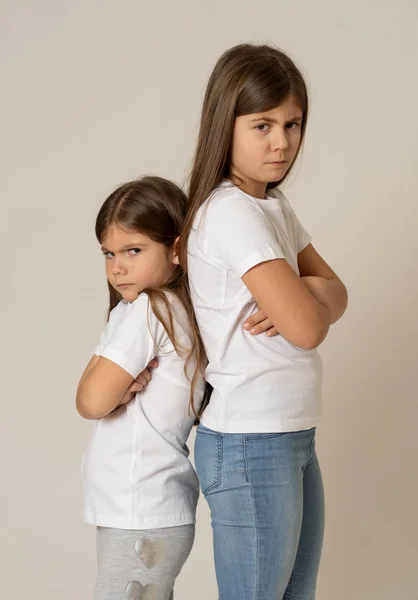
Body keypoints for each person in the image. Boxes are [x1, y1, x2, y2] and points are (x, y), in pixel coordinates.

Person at [180, 43, 348, 599]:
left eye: (292, 123)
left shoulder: (272, 207)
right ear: (224, 124)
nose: (282, 142)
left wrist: (304, 297)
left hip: (292, 434)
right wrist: (306, 302)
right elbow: (307, 328)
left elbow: (336, 292)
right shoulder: (230, 211)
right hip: (253, 440)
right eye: (262, 125)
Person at [76, 176, 205, 600]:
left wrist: (112, 388)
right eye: (109, 253)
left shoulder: (151, 308)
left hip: (140, 511)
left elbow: (91, 400)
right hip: (149, 508)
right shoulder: (170, 308)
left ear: (176, 248)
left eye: (134, 250)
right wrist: (117, 386)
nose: (118, 267)